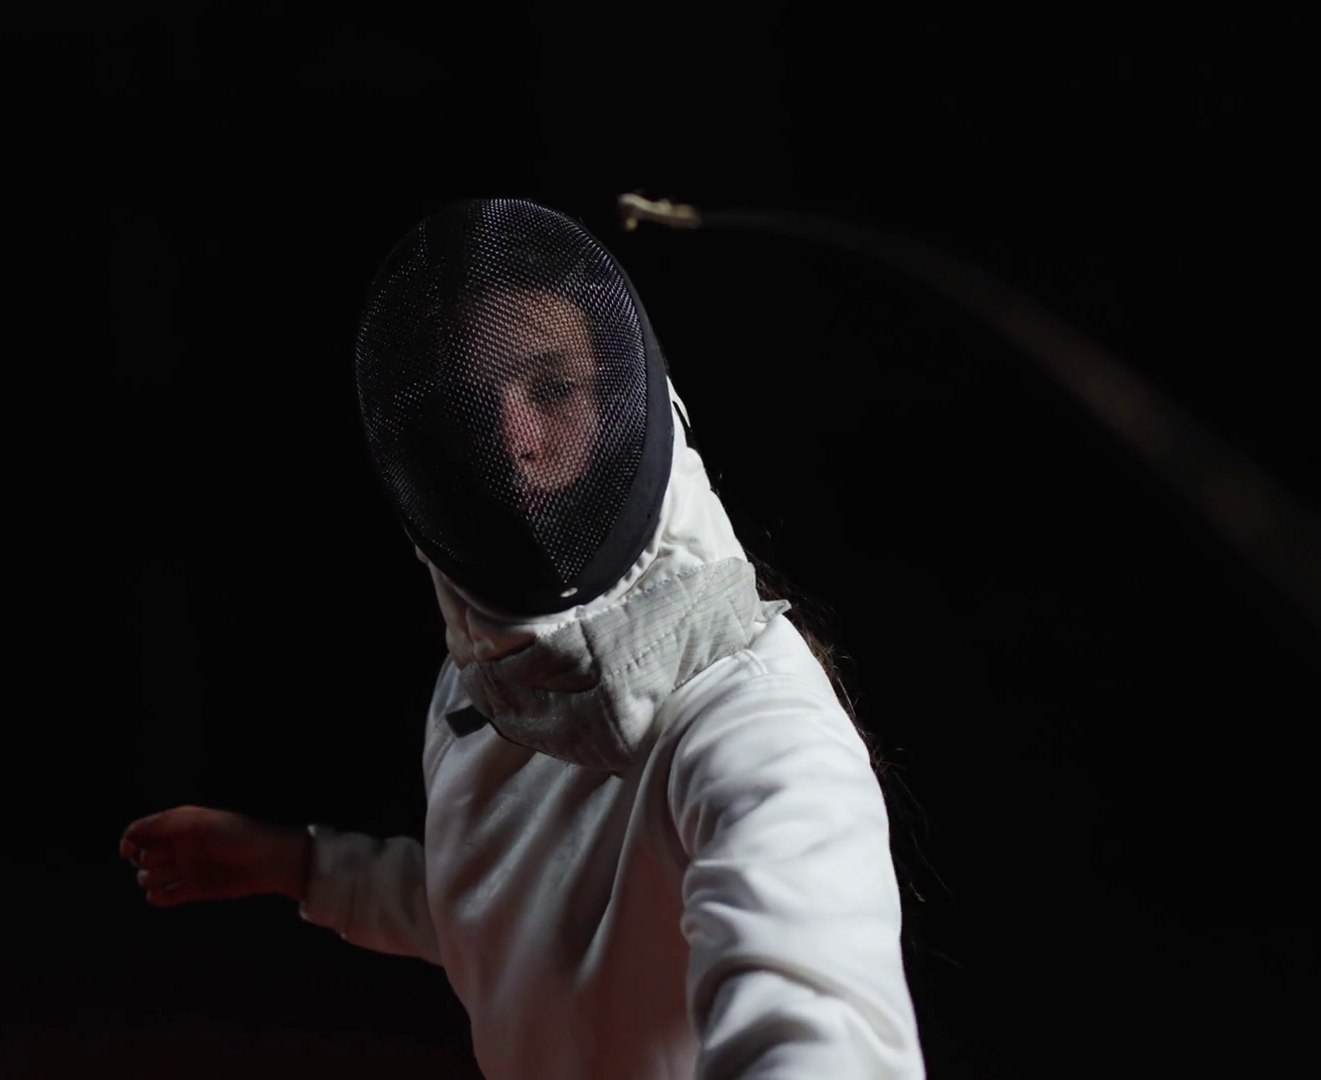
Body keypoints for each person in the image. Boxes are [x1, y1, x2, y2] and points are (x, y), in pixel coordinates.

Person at [121, 199, 924, 1079]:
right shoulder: (480, 686)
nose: (514, 444)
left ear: (632, 403)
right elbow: (510, 917)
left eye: (554, 388)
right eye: (474, 409)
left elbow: (819, 1033)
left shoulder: (757, 731)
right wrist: (303, 865)